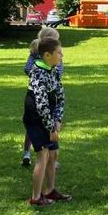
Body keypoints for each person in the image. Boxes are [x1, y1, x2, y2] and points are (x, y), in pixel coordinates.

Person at [24, 37, 71, 206]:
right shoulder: (38, 73)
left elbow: (60, 97)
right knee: (43, 155)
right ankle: (36, 198)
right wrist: (51, 128)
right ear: (47, 55)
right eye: (59, 52)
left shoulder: (54, 70)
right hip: (36, 119)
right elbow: (41, 104)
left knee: (53, 154)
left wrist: (58, 119)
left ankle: (50, 191)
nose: (61, 55)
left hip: (49, 118)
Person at [21, 26, 64, 167]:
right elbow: (28, 68)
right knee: (32, 128)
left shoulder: (56, 54)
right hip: (37, 94)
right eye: (55, 39)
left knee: (51, 124)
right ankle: (27, 153)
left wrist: (53, 71)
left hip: (51, 93)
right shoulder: (35, 52)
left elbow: (59, 70)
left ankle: (52, 157)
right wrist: (40, 73)